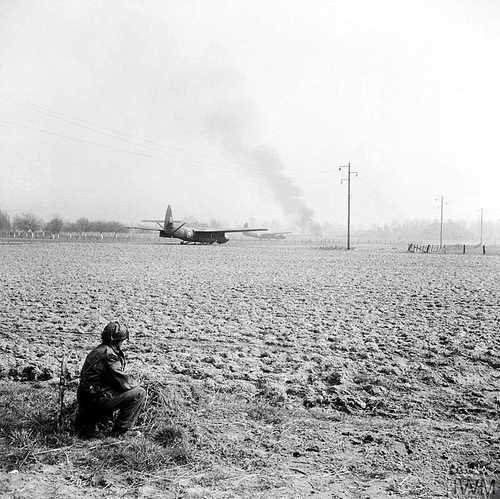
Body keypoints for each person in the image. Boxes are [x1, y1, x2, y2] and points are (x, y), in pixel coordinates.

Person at [75, 321, 146, 438]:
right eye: (122, 340)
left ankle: (99, 424)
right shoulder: (110, 355)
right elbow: (122, 381)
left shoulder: (98, 350)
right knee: (139, 392)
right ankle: (121, 431)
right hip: (95, 399)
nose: (123, 343)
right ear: (117, 341)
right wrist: (137, 382)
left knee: (115, 390)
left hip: (86, 397)